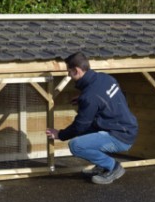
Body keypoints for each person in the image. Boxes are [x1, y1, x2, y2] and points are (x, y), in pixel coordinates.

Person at [46, 52, 138, 184]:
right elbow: (114, 98)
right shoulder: (105, 78)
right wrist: (86, 100)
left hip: (121, 137)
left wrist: (60, 134)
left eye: (69, 72)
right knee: (90, 130)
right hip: (128, 127)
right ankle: (102, 166)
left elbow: (80, 126)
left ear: (77, 70)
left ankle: (113, 167)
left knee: (76, 145)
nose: (69, 76)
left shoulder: (90, 96)